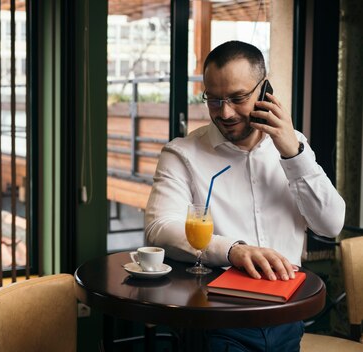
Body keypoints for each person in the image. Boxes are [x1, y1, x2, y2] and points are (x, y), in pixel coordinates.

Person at [144, 41, 345, 351]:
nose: (224, 112)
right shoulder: (181, 153)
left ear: (264, 91)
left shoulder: (295, 146)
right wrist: (233, 250)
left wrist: (293, 154)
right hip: (217, 321)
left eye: (237, 98)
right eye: (214, 99)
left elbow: (331, 225)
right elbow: (159, 227)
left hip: (286, 316)